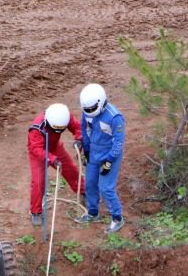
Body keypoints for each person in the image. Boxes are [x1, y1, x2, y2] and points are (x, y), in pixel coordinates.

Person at [75, 83, 125, 234]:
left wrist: (109, 160)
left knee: (106, 188)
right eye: (87, 110)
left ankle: (117, 218)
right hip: (94, 152)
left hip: (110, 154)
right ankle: (93, 212)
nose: (89, 113)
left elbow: (119, 142)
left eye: (91, 110)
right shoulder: (87, 112)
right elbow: (84, 128)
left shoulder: (115, 117)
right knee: (90, 184)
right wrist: (87, 149)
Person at [27, 103, 85, 227]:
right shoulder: (36, 128)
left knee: (71, 170)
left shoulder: (64, 117)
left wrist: (79, 139)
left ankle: (85, 192)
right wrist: (52, 159)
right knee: (38, 182)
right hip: (40, 152)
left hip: (55, 146)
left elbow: (77, 127)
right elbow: (36, 149)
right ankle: (36, 212)